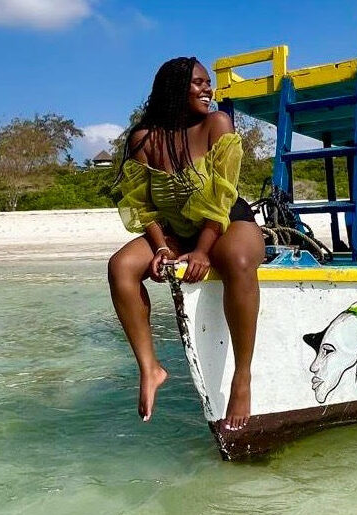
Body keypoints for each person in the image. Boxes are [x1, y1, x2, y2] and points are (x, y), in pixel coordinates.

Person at [108, 57, 265, 430]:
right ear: (174, 89)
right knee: (120, 267)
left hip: (226, 222)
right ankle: (150, 368)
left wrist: (203, 251)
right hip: (175, 230)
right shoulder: (144, 139)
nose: (207, 89)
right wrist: (162, 247)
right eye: (197, 83)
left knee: (237, 259)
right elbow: (141, 204)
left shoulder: (217, 124)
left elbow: (222, 198)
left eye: (208, 83)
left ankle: (241, 376)